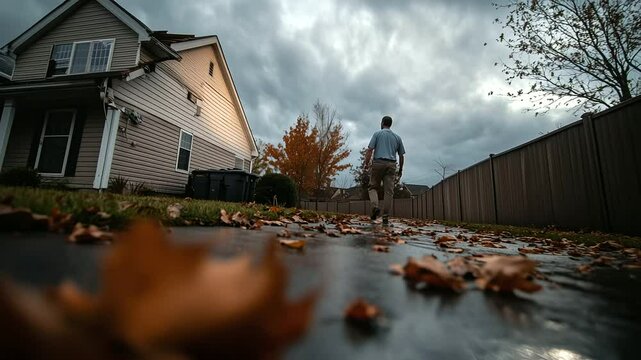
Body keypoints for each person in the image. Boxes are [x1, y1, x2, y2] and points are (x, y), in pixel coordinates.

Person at [364, 115, 405, 225]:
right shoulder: (397, 138)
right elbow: (401, 156)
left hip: (378, 163)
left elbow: (370, 150)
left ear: (382, 123)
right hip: (391, 165)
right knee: (389, 191)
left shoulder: (377, 134)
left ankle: (375, 207)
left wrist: (366, 164)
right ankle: (385, 215)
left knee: (372, 187)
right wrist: (400, 169)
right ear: (390, 124)